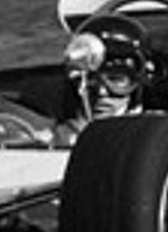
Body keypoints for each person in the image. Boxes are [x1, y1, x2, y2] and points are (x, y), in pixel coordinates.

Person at [56, 13, 151, 144]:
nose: (101, 92)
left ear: (136, 84)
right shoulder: (55, 138)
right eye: (90, 80)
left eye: (115, 79)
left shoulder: (152, 137)